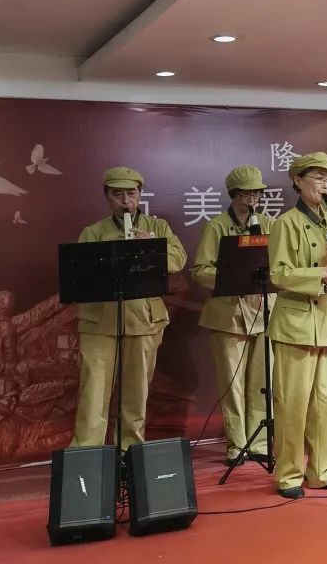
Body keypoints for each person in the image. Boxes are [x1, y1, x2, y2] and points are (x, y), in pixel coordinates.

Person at [70, 167, 187, 451]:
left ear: (140, 194)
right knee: (93, 391)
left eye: (131, 193)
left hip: (144, 319)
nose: (125, 201)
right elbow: (81, 275)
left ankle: (129, 450)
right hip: (100, 322)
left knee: (137, 391)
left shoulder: (158, 227)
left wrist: (151, 248)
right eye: (117, 194)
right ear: (107, 197)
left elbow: (178, 260)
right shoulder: (94, 232)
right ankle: (87, 452)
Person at [268, 152, 327, 499]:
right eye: (319, 178)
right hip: (296, 323)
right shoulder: (285, 223)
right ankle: (289, 475)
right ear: (298, 181)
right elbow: (279, 274)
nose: (326, 184)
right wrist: (324, 271)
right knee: (293, 404)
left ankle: (324, 472)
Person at [190, 165, 275, 465]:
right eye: (246, 194)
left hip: (264, 312)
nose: (253, 199)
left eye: (257, 194)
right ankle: (237, 444)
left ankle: (260, 442)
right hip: (228, 315)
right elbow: (200, 270)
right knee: (232, 382)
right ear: (233, 195)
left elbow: (282, 263)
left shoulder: (269, 223)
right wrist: (229, 277)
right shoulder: (216, 226)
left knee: (262, 382)